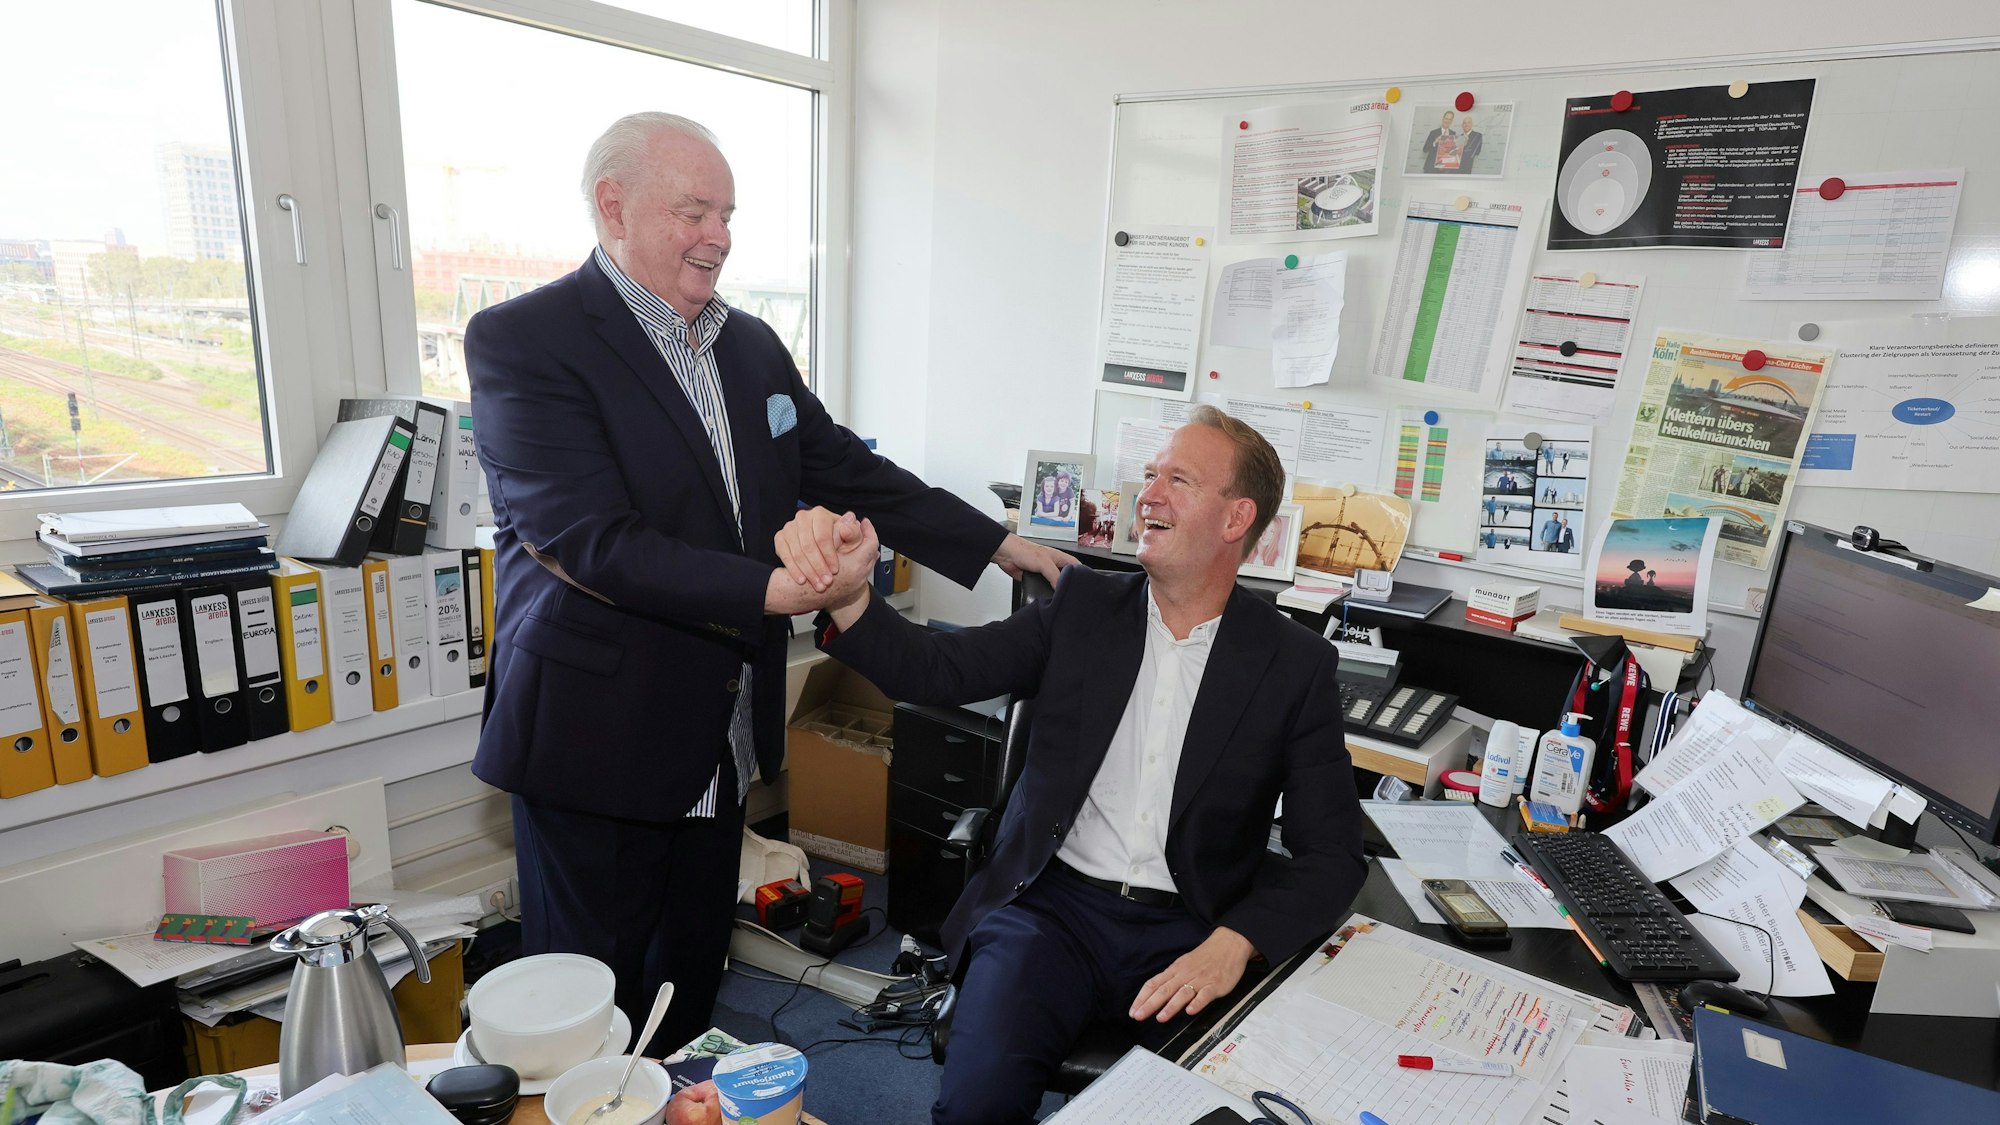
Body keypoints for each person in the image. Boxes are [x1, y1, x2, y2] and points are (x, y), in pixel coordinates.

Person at [464, 111, 1075, 1053]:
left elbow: (844, 466)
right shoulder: (525, 340)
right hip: (596, 732)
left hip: (720, 728)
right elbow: (591, 541)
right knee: (590, 1008)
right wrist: (776, 595)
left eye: (729, 212)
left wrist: (995, 544)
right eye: (695, 210)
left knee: (689, 981)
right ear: (612, 207)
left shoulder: (748, 344)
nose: (719, 234)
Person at [808, 407, 1365, 1125]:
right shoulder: (1082, 607)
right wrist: (853, 596)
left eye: (1179, 480)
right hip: (1052, 913)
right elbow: (935, 669)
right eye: (1152, 474)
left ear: (1237, 519)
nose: (1149, 493)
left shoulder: (1294, 665)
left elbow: (1334, 855)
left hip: (1190, 930)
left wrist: (1235, 943)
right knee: (976, 1106)